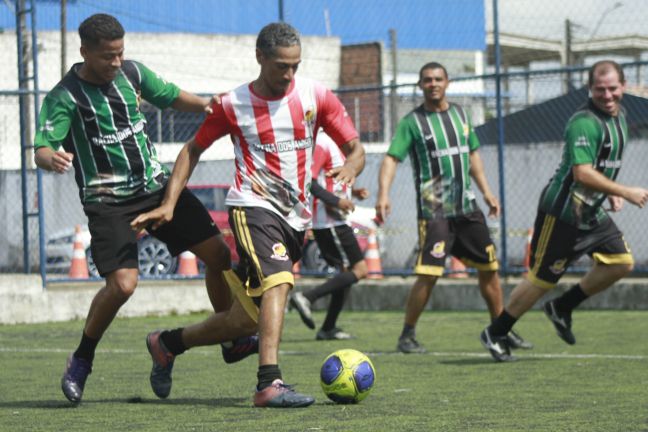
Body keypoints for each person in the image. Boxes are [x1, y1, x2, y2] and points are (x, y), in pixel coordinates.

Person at [131, 22, 365, 408]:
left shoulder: (316, 96)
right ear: (260, 58)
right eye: (280, 66)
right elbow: (192, 149)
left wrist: (352, 168)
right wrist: (170, 203)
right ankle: (268, 382)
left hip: (296, 218)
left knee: (244, 322)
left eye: (295, 65)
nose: (289, 74)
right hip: (252, 206)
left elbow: (355, 148)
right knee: (279, 282)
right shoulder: (231, 104)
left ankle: (167, 343)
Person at [33, 14, 256, 405]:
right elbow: (42, 147)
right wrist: (51, 158)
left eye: (120, 54)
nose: (116, 62)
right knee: (123, 285)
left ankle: (231, 338)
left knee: (219, 255)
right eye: (107, 57)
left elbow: (170, 95)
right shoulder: (64, 97)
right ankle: (82, 359)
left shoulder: (132, 74)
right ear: (84, 52)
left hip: (156, 187)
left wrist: (206, 105)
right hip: (108, 202)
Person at [480, 60, 648, 362]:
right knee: (543, 278)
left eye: (613, 88)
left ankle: (563, 307)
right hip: (563, 213)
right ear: (590, 89)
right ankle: (496, 331)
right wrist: (624, 191)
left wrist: (610, 192)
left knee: (621, 262)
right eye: (600, 89)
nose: (607, 95)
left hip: (592, 212)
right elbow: (582, 172)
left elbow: (604, 164)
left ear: (623, 86)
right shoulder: (583, 122)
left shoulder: (620, 117)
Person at [375, 62, 531, 354]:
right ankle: (407, 335)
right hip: (435, 212)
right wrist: (383, 194)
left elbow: (473, 155)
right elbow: (391, 159)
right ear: (420, 86)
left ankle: (500, 329)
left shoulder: (460, 115)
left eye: (438, 79)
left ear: (448, 82)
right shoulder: (412, 123)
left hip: (468, 208)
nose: (433, 84)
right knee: (429, 273)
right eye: (427, 80)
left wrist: (487, 192)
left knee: (490, 268)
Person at [289, 132, 369, 340]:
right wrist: (336, 201)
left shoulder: (338, 143)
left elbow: (330, 181)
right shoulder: (322, 142)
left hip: (336, 220)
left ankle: (328, 328)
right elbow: (310, 182)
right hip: (328, 221)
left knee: (345, 275)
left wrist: (354, 192)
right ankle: (307, 297)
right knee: (359, 270)